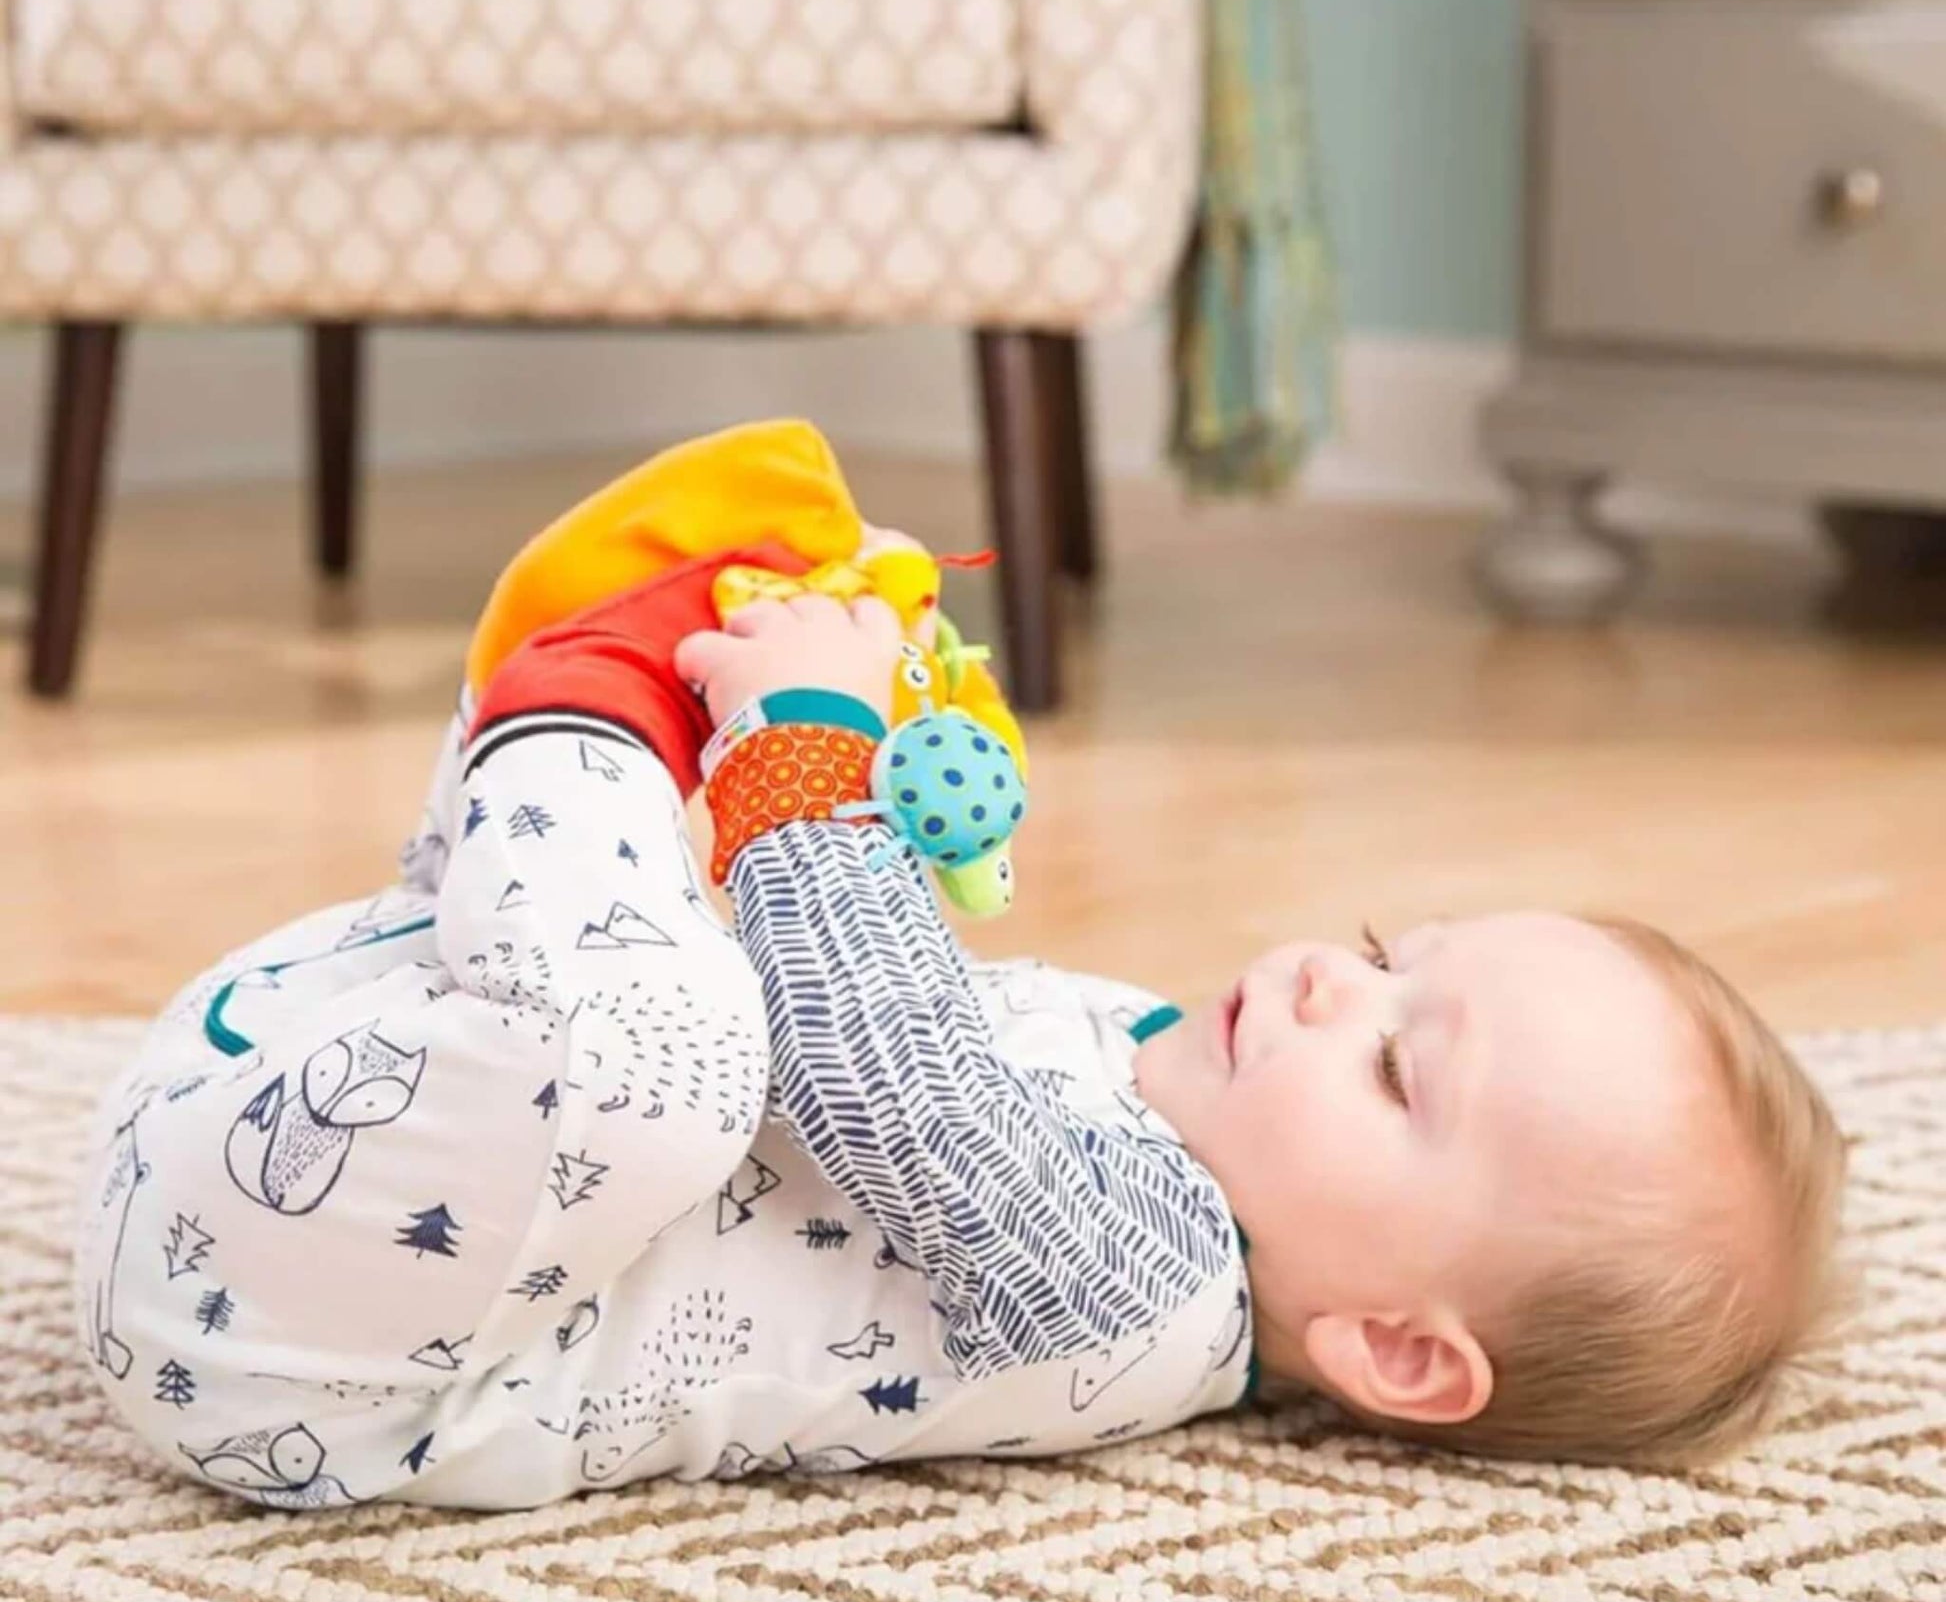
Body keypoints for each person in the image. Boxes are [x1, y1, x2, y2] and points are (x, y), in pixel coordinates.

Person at [71, 538, 1847, 1513]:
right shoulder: (1169, 1094)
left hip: (310, 1343)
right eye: (1390, 952)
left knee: (674, 1051)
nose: (1329, 979)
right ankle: (568, 748)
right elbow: (861, 990)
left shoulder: (1140, 1285)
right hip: (278, 1113)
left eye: (1396, 1062)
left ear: (1392, 1347)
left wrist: (806, 755)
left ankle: (560, 713)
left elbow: (883, 1074)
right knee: (682, 971)